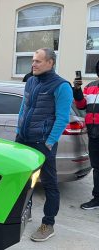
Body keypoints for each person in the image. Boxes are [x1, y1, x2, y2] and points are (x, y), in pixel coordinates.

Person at [16, 48, 73, 242]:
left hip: (43, 143)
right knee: (24, 180)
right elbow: (24, 107)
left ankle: (48, 224)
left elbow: (63, 117)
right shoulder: (31, 81)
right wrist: (19, 131)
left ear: (50, 63)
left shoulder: (62, 86)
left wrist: (49, 143)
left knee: (49, 184)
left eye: (38, 61)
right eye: (33, 60)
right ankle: (25, 212)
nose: (33, 64)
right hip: (23, 139)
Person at [73, 61, 99, 210]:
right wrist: (77, 89)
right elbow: (81, 105)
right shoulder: (90, 87)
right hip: (94, 133)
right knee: (97, 167)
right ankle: (97, 198)